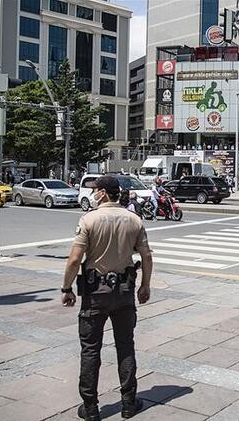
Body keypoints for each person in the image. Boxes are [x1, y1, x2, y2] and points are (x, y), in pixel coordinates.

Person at [61, 176, 152, 420]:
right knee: (125, 346)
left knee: (90, 349)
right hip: (124, 293)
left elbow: (74, 259)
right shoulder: (134, 219)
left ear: (102, 193)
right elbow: (147, 257)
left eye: (95, 190)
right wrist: (145, 286)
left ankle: (90, 408)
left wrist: (66, 288)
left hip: (95, 293)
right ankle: (129, 403)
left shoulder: (89, 219)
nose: (92, 194)